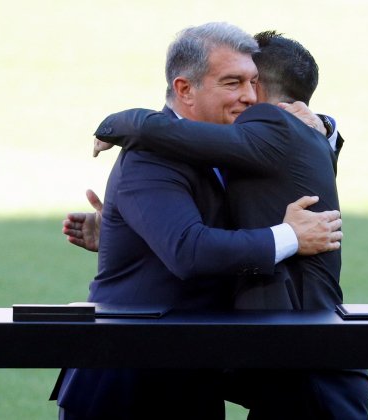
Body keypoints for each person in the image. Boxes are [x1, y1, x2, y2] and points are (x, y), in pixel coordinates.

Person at [53, 23, 344, 420]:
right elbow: (189, 251)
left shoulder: (234, 149)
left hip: (194, 379)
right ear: (186, 89)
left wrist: (123, 238)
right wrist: (289, 237)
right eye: (232, 82)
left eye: (254, 82)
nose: (248, 96)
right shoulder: (149, 157)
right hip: (130, 385)